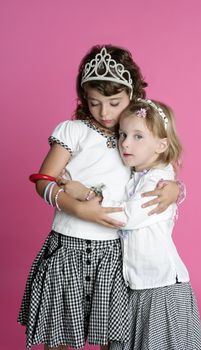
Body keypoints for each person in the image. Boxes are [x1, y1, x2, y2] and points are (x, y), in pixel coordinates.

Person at [18, 45, 181, 350]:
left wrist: (175, 190)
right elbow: (43, 181)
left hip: (113, 254)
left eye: (114, 103)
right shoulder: (74, 131)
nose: (105, 113)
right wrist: (79, 210)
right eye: (95, 103)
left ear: (133, 97)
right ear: (84, 99)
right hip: (68, 248)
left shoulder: (134, 134)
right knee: (61, 332)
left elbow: (159, 170)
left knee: (112, 337)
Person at [98, 98, 201, 350]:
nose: (125, 142)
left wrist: (92, 197)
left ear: (161, 145)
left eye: (138, 136)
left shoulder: (158, 180)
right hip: (138, 283)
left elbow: (127, 216)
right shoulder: (135, 174)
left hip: (161, 286)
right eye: (123, 134)